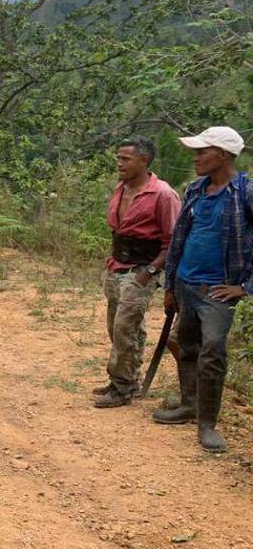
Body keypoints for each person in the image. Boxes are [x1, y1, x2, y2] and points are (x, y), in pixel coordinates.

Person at [154, 125, 253, 452]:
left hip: (217, 291)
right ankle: (189, 404)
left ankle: (207, 424)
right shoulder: (196, 190)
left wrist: (244, 287)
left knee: (213, 351)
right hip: (185, 283)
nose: (195, 158)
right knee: (188, 345)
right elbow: (180, 238)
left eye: (201, 152)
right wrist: (170, 284)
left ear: (222, 155)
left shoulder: (246, 194)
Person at [92, 137, 180, 408]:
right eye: (118, 158)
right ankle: (126, 378)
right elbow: (118, 230)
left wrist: (151, 270)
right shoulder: (121, 188)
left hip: (142, 269)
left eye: (126, 159)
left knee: (124, 327)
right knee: (118, 326)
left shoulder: (163, 194)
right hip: (117, 266)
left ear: (144, 160)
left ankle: (122, 388)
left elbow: (174, 240)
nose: (119, 163)